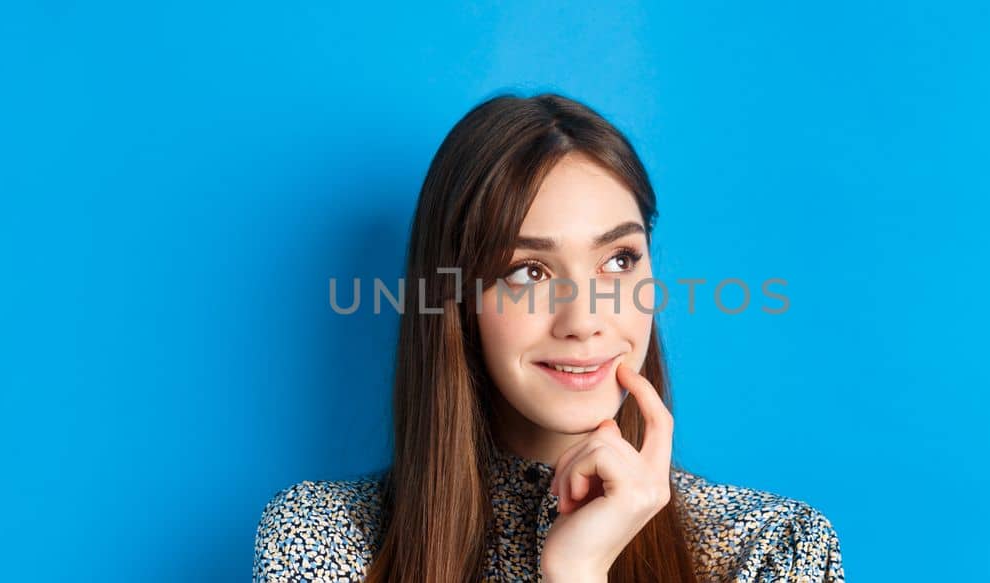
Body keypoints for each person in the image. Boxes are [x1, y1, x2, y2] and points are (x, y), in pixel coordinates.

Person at [254, 93, 845, 582]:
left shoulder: (772, 551)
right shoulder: (324, 541)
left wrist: (579, 572)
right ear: (454, 300)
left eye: (618, 260)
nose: (584, 320)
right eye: (527, 272)